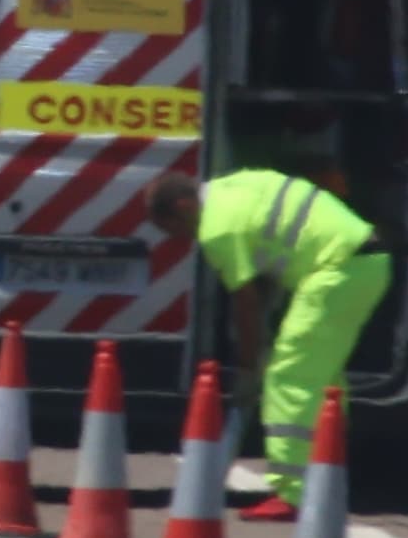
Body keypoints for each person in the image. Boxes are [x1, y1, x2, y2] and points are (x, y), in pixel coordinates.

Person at [148, 165, 395, 515]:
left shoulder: (217, 229)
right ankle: (326, 476)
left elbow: (244, 302)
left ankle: (293, 493)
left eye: (172, 228)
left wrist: (248, 367)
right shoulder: (229, 187)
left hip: (337, 270)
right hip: (365, 262)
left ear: (185, 206)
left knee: (287, 376)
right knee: (322, 381)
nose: (177, 238)